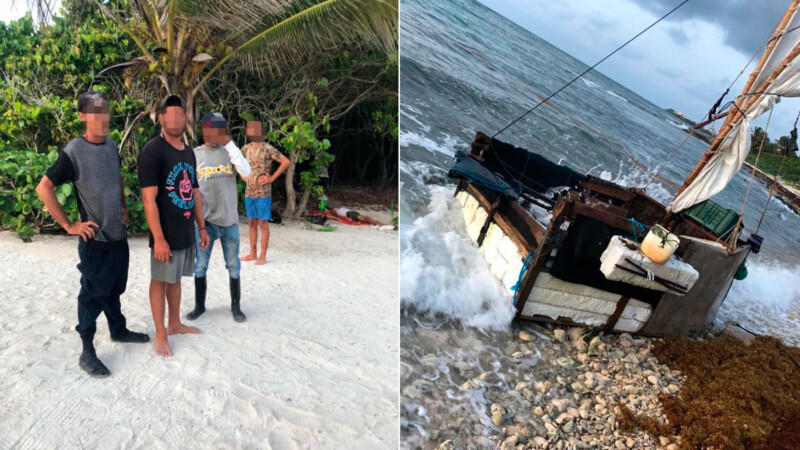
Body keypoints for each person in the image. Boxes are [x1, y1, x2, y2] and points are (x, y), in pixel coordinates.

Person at [35, 91, 149, 377]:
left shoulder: (110, 146)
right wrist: (69, 225)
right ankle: (87, 350)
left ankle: (118, 330)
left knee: (115, 288)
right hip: (94, 240)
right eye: (96, 112)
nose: (103, 118)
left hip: (118, 235)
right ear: (82, 116)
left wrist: (123, 206)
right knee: (92, 294)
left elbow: (116, 176)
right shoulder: (74, 151)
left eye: (105, 111)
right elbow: (43, 188)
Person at [137, 94, 210, 357]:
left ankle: (175, 323)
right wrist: (158, 238)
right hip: (165, 233)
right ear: (161, 118)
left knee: (176, 279)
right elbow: (149, 199)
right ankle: (160, 332)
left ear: (185, 118)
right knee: (160, 279)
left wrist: (202, 227)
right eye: (171, 115)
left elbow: (195, 192)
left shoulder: (188, 152)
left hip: (186, 230)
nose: (177, 120)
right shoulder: (152, 151)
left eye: (181, 115)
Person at [187, 112, 251, 322]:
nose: (217, 132)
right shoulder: (195, 154)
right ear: (205, 130)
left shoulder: (230, 152)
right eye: (214, 128)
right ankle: (199, 306)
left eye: (221, 128)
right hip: (204, 222)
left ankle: (236, 307)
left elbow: (247, 173)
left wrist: (229, 143)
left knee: (233, 265)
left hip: (229, 221)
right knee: (200, 265)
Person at [241, 120, 290, 265]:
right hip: (249, 192)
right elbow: (237, 164)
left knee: (263, 223)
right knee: (251, 222)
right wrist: (244, 177)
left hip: (263, 193)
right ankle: (252, 253)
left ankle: (263, 255)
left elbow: (286, 162)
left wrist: (271, 178)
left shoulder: (268, 148)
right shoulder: (245, 149)